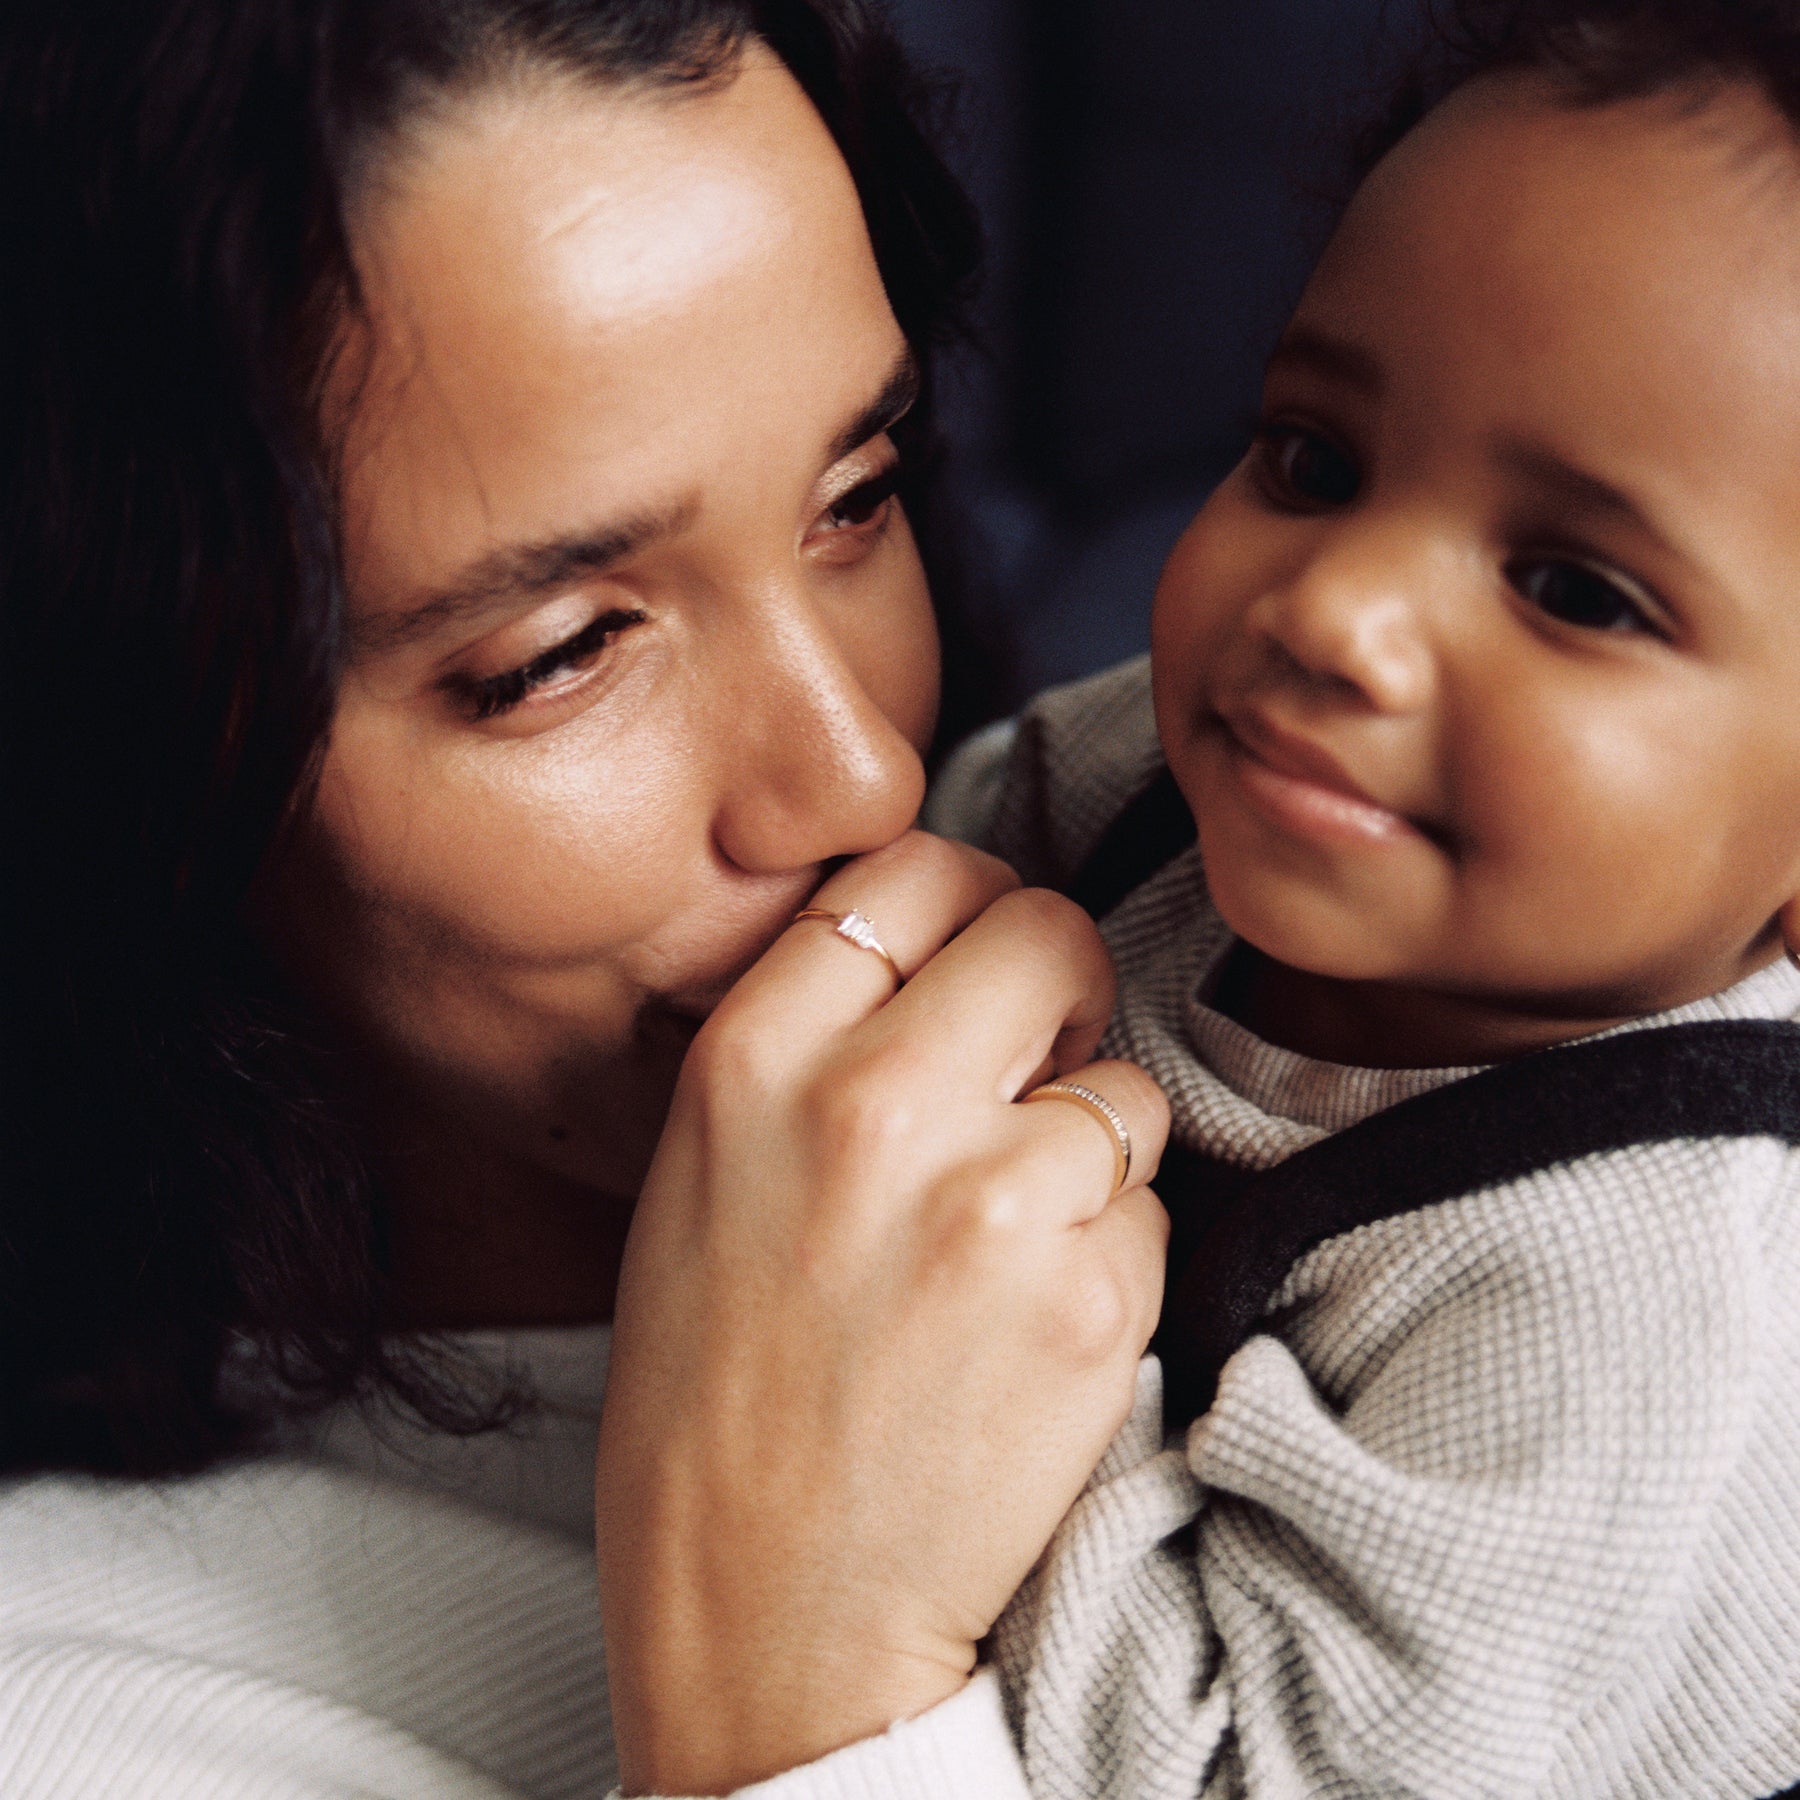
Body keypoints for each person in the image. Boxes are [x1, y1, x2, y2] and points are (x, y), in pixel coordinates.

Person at [0, 1, 1171, 1795]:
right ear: (128, 757)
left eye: (856, 498)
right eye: (561, 655)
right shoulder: (77, 1704)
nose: (860, 771)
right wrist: (793, 1710)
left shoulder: (1262, 951)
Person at [891, 0, 1800, 1791]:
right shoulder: (1185, 782)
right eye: (1314, 461)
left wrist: (933, 1410)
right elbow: (935, 861)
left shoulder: (1611, 1309)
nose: (1328, 608)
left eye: (1576, 591)